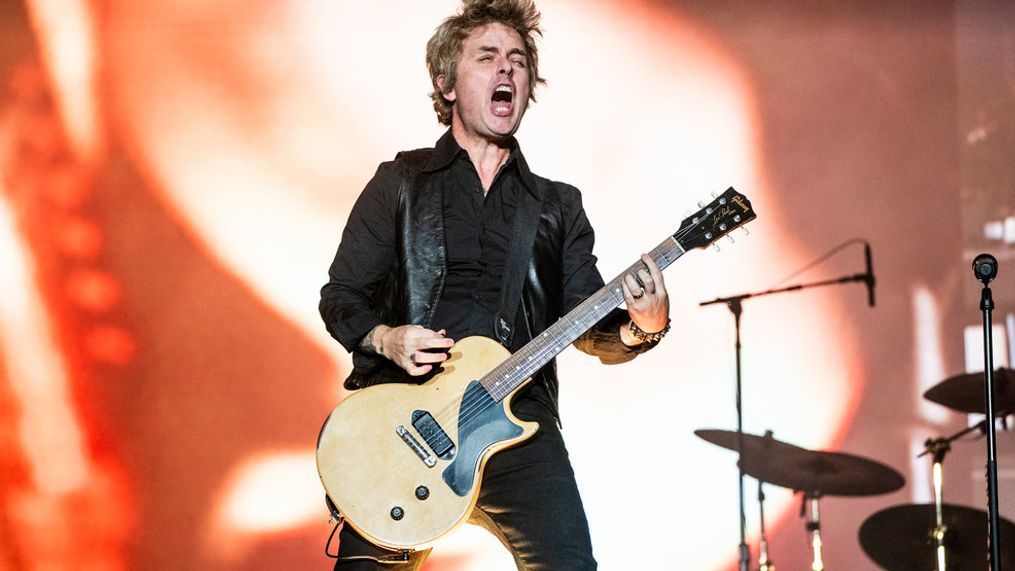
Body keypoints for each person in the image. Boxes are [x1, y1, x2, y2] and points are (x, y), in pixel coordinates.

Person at [319, 0, 671, 568]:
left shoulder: (558, 207)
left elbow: (589, 325)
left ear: (529, 87)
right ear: (447, 82)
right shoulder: (400, 183)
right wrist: (387, 339)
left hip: (516, 418)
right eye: (487, 57)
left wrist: (643, 327)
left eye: (518, 60)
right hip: (406, 421)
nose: (506, 69)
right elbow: (340, 297)